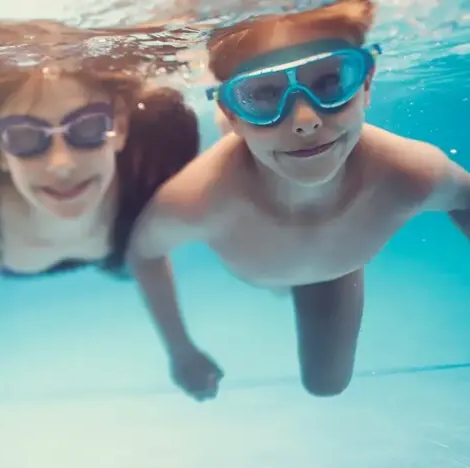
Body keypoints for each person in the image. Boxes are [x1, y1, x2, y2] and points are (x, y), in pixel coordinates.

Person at [128, 0, 470, 399]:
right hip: (266, 202)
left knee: (326, 384)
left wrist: (182, 352)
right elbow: (143, 253)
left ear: (366, 85)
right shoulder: (199, 198)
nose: (305, 119)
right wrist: (180, 351)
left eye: (328, 82)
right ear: (233, 113)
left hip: (332, 264)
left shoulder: (412, 174)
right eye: (264, 95)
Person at [0, 65, 208, 388]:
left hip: (109, 250)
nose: (62, 165)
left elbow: (148, 259)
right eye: (25, 137)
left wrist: (181, 351)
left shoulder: (141, 189)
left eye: (87, 128)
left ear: (121, 128)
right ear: (1, 151)